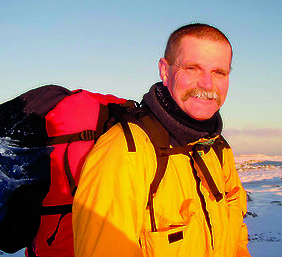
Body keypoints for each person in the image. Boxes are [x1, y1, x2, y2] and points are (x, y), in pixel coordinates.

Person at [72, 23, 251, 257]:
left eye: (219, 72)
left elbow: (236, 237)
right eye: (192, 68)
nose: (207, 84)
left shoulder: (217, 148)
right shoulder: (125, 150)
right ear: (165, 71)